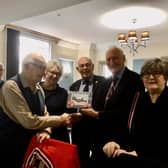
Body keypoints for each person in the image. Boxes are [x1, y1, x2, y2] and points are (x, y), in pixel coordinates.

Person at [0, 53, 71, 168]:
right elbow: (29, 121)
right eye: (42, 67)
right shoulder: (11, 87)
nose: (44, 72)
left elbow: (45, 114)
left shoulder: (38, 88)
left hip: (31, 148)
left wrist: (46, 131)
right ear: (26, 66)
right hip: (11, 149)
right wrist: (60, 119)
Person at [79, 46, 145, 168]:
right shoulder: (105, 82)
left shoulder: (135, 79)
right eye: (108, 59)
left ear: (124, 59)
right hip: (100, 142)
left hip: (121, 142)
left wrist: (98, 114)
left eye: (115, 58)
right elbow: (96, 106)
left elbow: (129, 112)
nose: (111, 62)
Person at [107, 58, 168, 168]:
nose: (151, 77)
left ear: (165, 77)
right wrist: (114, 142)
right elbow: (126, 127)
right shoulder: (137, 99)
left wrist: (139, 153)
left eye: (157, 73)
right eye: (147, 74)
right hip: (133, 153)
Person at [69, 56, 105, 168]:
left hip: (98, 129)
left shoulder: (104, 82)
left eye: (87, 65)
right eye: (82, 65)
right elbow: (71, 108)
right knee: (80, 159)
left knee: (99, 160)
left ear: (92, 66)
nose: (85, 68)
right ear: (77, 69)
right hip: (79, 130)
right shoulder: (74, 86)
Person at [40, 59, 70, 142]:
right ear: (45, 72)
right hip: (40, 134)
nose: (55, 76)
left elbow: (68, 113)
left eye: (58, 74)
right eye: (52, 72)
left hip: (59, 135)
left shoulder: (64, 93)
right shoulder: (36, 89)